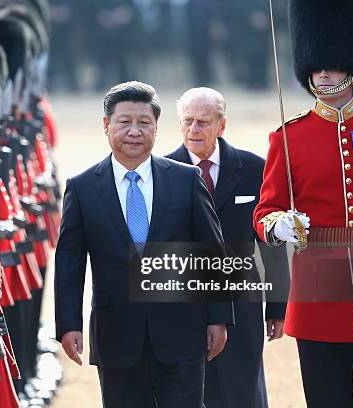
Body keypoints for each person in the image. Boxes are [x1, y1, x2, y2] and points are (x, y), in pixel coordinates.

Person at [54, 81, 233, 408]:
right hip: (116, 335)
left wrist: (218, 317)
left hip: (182, 331)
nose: (134, 131)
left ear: (156, 128)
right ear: (106, 126)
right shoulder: (82, 188)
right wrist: (68, 324)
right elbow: (69, 261)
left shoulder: (185, 179)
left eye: (144, 123)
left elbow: (212, 251)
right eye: (124, 122)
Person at [253, 1, 353, 407]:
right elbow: (265, 208)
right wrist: (278, 225)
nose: (322, 73)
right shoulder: (290, 137)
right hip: (319, 291)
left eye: (332, 65)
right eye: (316, 66)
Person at [166, 87, 289, 408]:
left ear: (222, 125)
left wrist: (277, 306)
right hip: (185, 304)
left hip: (242, 305)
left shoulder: (254, 169)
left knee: (242, 390)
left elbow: (271, 243)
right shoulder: (162, 173)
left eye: (203, 122)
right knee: (190, 392)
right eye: (188, 121)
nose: (194, 130)